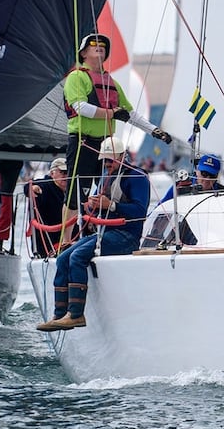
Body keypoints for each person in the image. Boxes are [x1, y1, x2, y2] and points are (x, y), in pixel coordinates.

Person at [37, 136, 149, 331]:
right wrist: (90, 206)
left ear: (122, 157)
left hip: (126, 237)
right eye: (104, 161)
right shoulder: (106, 176)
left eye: (110, 160)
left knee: (78, 256)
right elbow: (97, 208)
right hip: (104, 233)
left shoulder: (137, 177)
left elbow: (140, 212)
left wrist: (111, 205)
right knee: (63, 258)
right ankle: (59, 314)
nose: (107, 164)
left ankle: (76, 314)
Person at [63, 33, 171, 225]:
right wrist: (112, 113)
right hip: (83, 142)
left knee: (107, 191)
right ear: (83, 52)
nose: (100, 46)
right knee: (75, 195)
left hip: (106, 146)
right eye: (94, 44)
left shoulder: (111, 82)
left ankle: (95, 233)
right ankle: (65, 241)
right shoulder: (77, 77)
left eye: (103, 46)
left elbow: (129, 113)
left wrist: (154, 130)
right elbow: (81, 107)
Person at [23, 157, 69, 257]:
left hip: (69, 241)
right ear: (52, 174)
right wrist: (33, 189)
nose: (66, 175)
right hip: (49, 244)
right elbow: (29, 186)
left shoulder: (72, 189)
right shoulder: (46, 185)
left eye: (68, 172)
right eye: (63, 172)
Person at [158, 153, 224, 203]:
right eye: (204, 174)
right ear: (197, 171)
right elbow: (160, 209)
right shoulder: (179, 187)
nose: (207, 179)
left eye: (212, 175)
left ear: (217, 176)